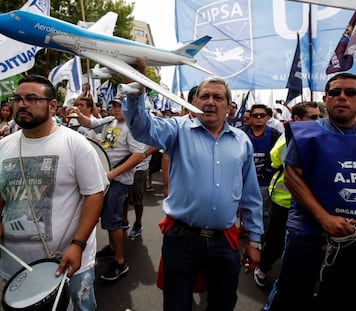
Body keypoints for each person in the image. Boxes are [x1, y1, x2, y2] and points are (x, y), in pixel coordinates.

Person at [264, 72, 356, 311]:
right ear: (326, 98)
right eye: (335, 92)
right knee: (292, 297)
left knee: (345, 299)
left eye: (350, 92)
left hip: (354, 236)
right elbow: (292, 178)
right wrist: (324, 218)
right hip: (308, 233)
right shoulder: (306, 133)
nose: (341, 97)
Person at [122, 68, 264, 311]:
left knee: (223, 303)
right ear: (195, 102)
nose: (210, 102)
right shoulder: (177, 129)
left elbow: (250, 195)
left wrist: (255, 240)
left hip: (224, 242)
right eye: (204, 96)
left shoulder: (242, 141)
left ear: (229, 106)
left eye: (217, 98)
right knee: (177, 305)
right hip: (181, 239)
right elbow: (142, 128)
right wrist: (136, 92)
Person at [0, 74, 108, 310]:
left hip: (69, 263)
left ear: (52, 106)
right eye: (17, 99)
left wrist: (78, 245)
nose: (22, 104)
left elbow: (94, 195)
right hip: (15, 263)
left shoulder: (76, 144)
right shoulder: (4, 146)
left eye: (32, 99)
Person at [254, 101, 321, 288]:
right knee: (275, 241)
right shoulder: (286, 140)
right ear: (297, 119)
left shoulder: (319, 138)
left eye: (319, 116)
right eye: (313, 117)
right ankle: (262, 268)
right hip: (283, 202)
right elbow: (278, 163)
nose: (319, 120)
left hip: (309, 204)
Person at [95, 97, 146, 282]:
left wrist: (112, 173)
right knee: (109, 219)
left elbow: (138, 155)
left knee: (113, 220)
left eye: (120, 106)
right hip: (107, 178)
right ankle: (111, 248)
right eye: (114, 105)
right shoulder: (112, 123)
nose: (115, 109)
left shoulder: (132, 128)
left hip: (118, 180)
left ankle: (120, 261)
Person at [244, 104, 281, 231]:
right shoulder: (241, 135)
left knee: (264, 215)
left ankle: (261, 241)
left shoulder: (276, 135)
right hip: (243, 183)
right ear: (250, 118)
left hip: (265, 183)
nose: (258, 118)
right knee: (244, 213)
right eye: (255, 115)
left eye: (262, 115)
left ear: (268, 117)